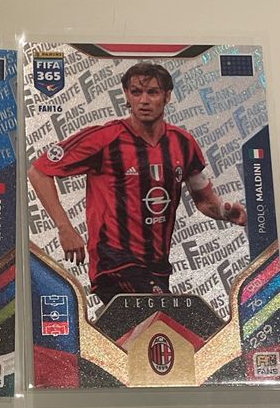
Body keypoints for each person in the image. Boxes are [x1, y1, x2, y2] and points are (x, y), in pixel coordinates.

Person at [28, 62, 247, 304]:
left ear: (167, 96)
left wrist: (225, 211)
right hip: (114, 262)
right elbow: (39, 172)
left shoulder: (183, 143)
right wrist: (65, 229)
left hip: (158, 267)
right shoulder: (104, 139)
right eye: (136, 92)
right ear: (126, 95)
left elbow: (205, 201)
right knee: (163, 316)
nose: (144, 100)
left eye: (152, 92)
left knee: (149, 327)